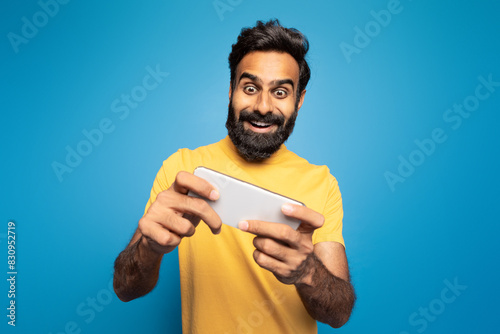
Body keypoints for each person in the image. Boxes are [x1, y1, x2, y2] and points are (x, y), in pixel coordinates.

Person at [113, 19, 356, 333]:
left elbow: (339, 314)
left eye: (281, 92)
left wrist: (307, 272)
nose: (263, 106)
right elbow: (125, 288)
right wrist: (149, 247)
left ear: (299, 100)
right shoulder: (183, 168)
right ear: (231, 90)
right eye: (250, 88)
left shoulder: (321, 182)